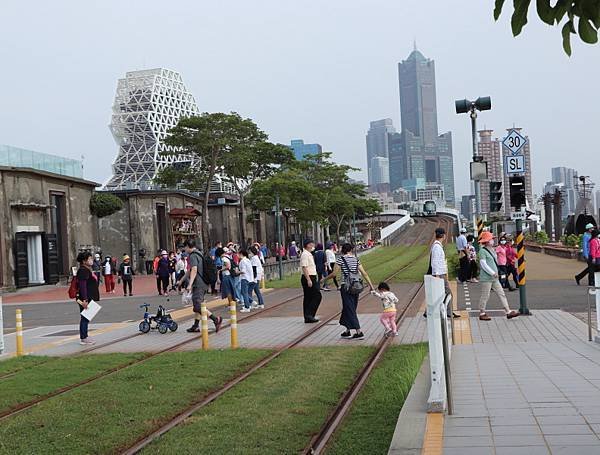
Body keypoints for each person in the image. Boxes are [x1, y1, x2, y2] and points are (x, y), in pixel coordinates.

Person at [322, 243, 374, 339]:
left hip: (346, 287)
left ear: (343, 250)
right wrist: (371, 286)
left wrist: (323, 279)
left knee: (349, 308)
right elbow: (364, 273)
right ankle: (347, 330)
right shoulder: (355, 259)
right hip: (356, 286)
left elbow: (334, 274)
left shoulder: (340, 259)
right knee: (350, 307)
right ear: (351, 250)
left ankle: (358, 331)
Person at [180, 240, 223, 333]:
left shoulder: (192, 256)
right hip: (203, 283)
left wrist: (190, 284)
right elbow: (190, 270)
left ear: (188, 246)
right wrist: (181, 281)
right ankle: (195, 326)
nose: (184, 249)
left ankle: (216, 319)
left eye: (185, 247)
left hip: (199, 284)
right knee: (198, 304)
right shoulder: (199, 253)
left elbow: (194, 270)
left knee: (197, 305)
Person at [477, 231, 520, 321]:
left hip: (494, 278)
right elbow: (483, 264)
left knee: (501, 293)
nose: (493, 240)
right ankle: (482, 313)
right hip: (487, 278)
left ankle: (508, 311)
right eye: (491, 239)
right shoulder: (482, 251)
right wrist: (492, 273)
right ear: (487, 241)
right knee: (485, 295)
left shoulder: (492, 250)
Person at [427, 227, 460, 319]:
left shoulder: (437, 246)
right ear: (444, 236)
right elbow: (435, 262)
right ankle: (449, 312)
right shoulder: (437, 247)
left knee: (438, 294)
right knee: (448, 293)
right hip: (439, 274)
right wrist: (437, 275)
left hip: (441, 274)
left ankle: (428, 311)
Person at [75, 251, 99, 345]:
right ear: (84, 261)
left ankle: (85, 336)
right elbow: (82, 286)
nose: (91, 260)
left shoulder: (87, 269)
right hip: (84, 298)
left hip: (88, 297)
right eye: (89, 258)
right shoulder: (83, 270)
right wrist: (84, 300)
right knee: (85, 317)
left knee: (87, 317)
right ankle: (84, 337)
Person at [300, 239, 322, 323]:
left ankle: (308, 316)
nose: (313, 245)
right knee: (316, 296)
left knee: (309, 297)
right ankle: (309, 314)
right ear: (308, 245)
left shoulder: (309, 254)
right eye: (311, 243)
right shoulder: (305, 254)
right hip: (308, 277)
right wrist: (308, 279)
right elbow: (304, 267)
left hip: (312, 276)